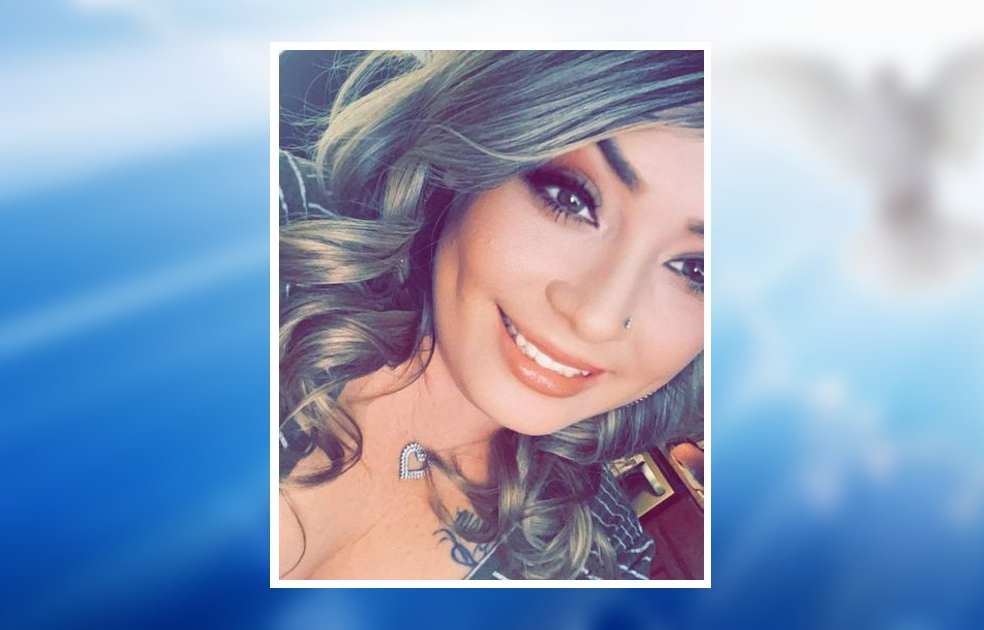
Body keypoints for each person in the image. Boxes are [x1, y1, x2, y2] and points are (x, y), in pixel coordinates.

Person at [278, 50, 705, 580]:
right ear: (472, 155)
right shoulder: (269, 236)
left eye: (696, 270)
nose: (597, 318)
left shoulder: (603, 564)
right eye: (571, 198)